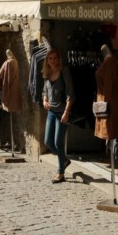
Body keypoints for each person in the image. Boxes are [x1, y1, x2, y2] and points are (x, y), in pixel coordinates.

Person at [41, 48, 75, 183]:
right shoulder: (47, 74)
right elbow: (44, 90)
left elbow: (70, 93)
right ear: (47, 61)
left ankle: (60, 173)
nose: (53, 61)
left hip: (62, 112)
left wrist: (67, 112)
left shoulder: (64, 72)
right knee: (48, 142)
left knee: (58, 142)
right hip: (51, 112)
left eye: (55, 58)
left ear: (58, 59)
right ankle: (64, 160)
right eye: (50, 59)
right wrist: (44, 100)